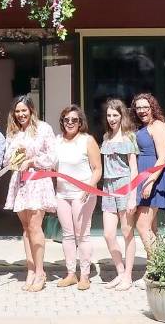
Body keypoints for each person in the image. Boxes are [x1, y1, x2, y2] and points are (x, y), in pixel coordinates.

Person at [3, 95, 57, 292]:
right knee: (26, 228)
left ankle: (41, 272)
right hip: (20, 183)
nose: (20, 114)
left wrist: (32, 161)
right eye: (17, 111)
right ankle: (31, 270)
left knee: (35, 227)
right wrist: (17, 156)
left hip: (38, 182)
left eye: (24, 110)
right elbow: (7, 159)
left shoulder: (44, 128)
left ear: (31, 110)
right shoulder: (13, 132)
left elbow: (52, 157)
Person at [55, 105, 102, 291]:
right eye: (66, 120)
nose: (70, 123)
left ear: (80, 122)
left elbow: (97, 169)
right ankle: (70, 274)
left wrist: (89, 188)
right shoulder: (57, 141)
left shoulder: (87, 140)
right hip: (62, 194)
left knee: (82, 235)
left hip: (82, 194)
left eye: (74, 120)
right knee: (67, 235)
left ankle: (85, 276)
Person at [131, 93, 165, 289]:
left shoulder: (159, 126)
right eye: (138, 107)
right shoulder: (142, 127)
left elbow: (162, 158)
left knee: (142, 225)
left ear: (152, 107)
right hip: (142, 178)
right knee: (152, 229)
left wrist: (149, 182)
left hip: (153, 180)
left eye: (145, 107)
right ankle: (152, 271)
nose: (141, 111)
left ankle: (158, 268)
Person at [100, 99, 138, 291]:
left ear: (122, 116)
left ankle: (128, 276)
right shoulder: (106, 137)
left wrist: (132, 195)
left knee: (127, 232)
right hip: (108, 187)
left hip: (124, 185)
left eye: (115, 115)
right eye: (109, 115)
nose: (112, 118)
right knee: (108, 234)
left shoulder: (129, 137)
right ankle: (120, 271)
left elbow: (134, 169)